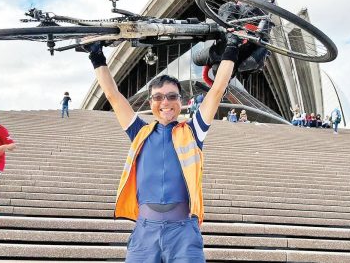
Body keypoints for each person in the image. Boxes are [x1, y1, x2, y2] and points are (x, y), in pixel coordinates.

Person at [84, 31, 239, 262]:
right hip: (145, 231)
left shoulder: (193, 131)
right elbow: (113, 96)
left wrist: (232, 47)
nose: (165, 102)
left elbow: (216, 91)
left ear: (181, 101)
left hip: (183, 232)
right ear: (151, 103)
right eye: (158, 97)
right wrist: (97, 57)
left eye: (171, 96)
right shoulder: (140, 132)